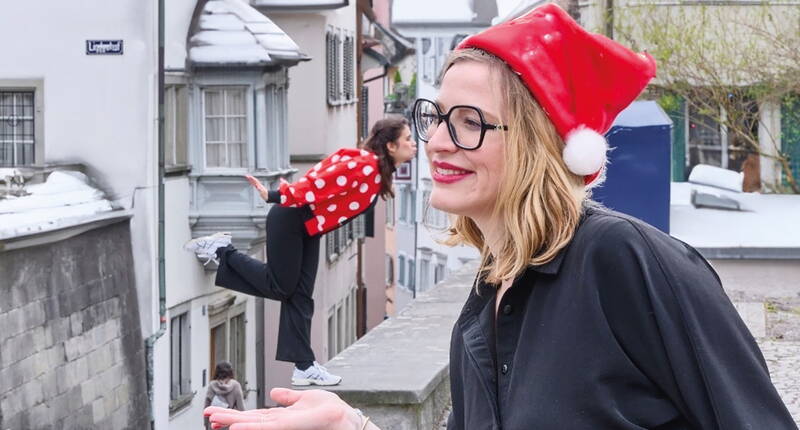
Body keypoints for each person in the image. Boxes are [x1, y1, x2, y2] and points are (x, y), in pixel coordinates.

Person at [204, 3, 797, 429]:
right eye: (436, 116)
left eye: (470, 122)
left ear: (542, 144)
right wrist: (351, 428)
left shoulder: (627, 260)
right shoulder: (493, 287)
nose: (437, 141)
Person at [185, 117, 417, 387]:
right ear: (390, 145)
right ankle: (224, 250)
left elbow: (324, 172)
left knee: (300, 296)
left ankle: (304, 367)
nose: (413, 144)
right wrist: (275, 196)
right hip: (292, 217)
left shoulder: (374, 170)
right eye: (408, 139)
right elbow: (320, 182)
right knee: (282, 286)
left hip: (308, 226)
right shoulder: (366, 166)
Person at [204, 361, 245, 430]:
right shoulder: (236, 386)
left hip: (214, 424)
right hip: (230, 424)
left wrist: (206, 424)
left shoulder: (212, 386)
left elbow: (206, 408)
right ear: (231, 372)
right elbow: (241, 409)